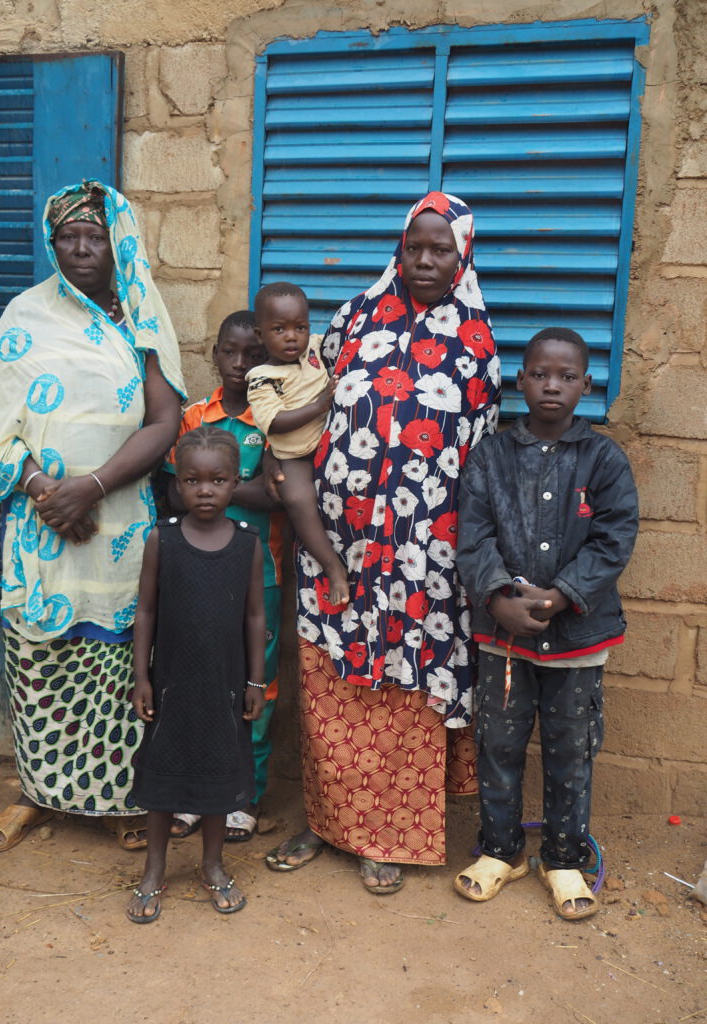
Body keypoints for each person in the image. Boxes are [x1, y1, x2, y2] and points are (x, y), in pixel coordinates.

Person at [265, 192, 500, 894]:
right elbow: (303, 399)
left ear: (463, 257)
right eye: (414, 247)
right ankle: (325, 820)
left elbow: (479, 461)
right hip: (336, 547)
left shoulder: (478, 344)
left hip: (423, 560)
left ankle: (385, 838)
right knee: (330, 682)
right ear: (399, 249)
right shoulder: (354, 318)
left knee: (403, 688)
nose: (424, 261)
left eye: (440, 250)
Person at [0, 180, 185, 853]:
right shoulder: (25, 317)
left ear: (116, 243)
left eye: (95, 236)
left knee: (121, 669)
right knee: (40, 666)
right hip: (44, 531)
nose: (83, 248)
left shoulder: (140, 317)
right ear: (52, 241)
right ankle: (37, 793)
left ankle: (118, 799)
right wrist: (44, 492)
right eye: (69, 237)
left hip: (118, 532)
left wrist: (90, 487)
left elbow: (166, 418)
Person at [454, 327, 638, 920]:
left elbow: (615, 540)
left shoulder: (604, 459)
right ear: (520, 381)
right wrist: (497, 597)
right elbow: (473, 536)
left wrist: (562, 596)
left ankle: (563, 857)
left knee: (570, 749)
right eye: (539, 373)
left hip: (579, 640)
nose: (551, 385)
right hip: (503, 640)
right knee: (498, 744)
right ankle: (501, 851)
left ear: (587, 384)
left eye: (565, 376)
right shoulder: (491, 456)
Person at [127, 427, 265, 921]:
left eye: (218, 479)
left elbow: (254, 616)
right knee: (163, 775)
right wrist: (141, 676)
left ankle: (211, 864)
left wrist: (255, 681)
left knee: (218, 777)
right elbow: (145, 611)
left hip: (225, 684)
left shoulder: (248, 545)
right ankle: (154, 869)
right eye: (192, 480)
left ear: (236, 482)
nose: (205, 490)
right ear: (178, 483)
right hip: (171, 684)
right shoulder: (161, 540)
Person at [163, 310, 284, 842]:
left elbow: (277, 494)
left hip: (262, 573)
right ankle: (194, 794)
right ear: (213, 353)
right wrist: (240, 485)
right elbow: (171, 490)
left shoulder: (276, 419)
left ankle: (244, 795)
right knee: (196, 678)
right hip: (195, 570)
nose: (240, 365)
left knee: (257, 681)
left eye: (253, 355)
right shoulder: (195, 416)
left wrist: (207, 484)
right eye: (230, 353)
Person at [246, 283, 347, 606]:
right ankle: (332, 567)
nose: (292, 337)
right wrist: (319, 406)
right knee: (299, 501)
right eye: (279, 329)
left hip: (330, 447)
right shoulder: (262, 378)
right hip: (294, 458)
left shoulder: (316, 350)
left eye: (300, 327)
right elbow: (274, 422)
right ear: (260, 335)